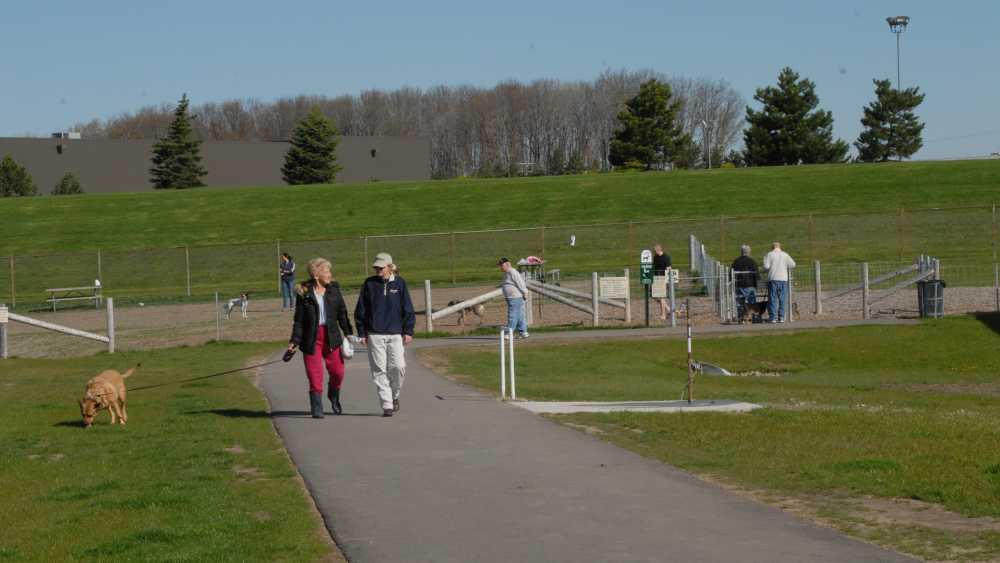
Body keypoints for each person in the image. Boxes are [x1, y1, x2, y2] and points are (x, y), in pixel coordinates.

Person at [287, 258, 353, 418]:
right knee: (315, 374)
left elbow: (342, 313)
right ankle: (316, 406)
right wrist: (294, 342)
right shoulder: (304, 293)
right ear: (316, 275)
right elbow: (299, 321)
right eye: (326, 271)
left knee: (338, 372)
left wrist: (348, 332)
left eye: (329, 271)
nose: (330, 274)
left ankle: (333, 394)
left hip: (331, 336)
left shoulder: (334, 290)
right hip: (311, 339)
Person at [355, 252, 415, 417]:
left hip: (395, 334)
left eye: (381, 268)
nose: (378, 270)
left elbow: (408, 308)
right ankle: (387, 405)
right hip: (375, 334)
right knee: (379, 370)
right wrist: (362, 333)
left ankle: (394, 395)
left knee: (398, 367)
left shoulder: (400, 283)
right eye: (376, 268)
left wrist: (408, 331)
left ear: (390, 267)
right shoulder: (369, 283)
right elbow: (361, 309)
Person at [763, 242, 796, 323]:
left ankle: (773, 317)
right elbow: (793, 264)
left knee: (773, 298)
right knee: (782, 298)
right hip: (783, 279)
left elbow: (766, 266)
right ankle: (781, 317)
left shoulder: (769, 254)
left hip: (773, 279)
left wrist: (765, 259)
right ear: (780, 247)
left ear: (772, 247)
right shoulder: (785, 254)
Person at [498, 257, 529, 338]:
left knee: (512, 315)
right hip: (511, 297)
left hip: (515, 297)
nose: (500, 267)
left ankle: (509, 333)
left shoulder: (513, 272)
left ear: (508, 264)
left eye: (502, 265)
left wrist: (525, 292)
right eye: (500, 265)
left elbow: (520, 283)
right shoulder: (506, 273)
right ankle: (523, 332)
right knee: (519, 315)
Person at [732, 244, 759, 321]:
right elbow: (757, 275)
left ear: (741, 252)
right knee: (751, 302)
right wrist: (756, 285)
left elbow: (731, 273)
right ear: (749, 252)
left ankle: (741, 317)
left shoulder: (736, 261)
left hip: (739, 284)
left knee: (740, 302)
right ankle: (752, 317)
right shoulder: (752, 261)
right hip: (750, 285)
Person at [652, 244, 672, 321]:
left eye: (654, 251)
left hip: (663, 279)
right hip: (656, 278)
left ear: (658, 250)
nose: (654, 252)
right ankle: (668, 309)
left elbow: (669, 268)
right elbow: (654, 267)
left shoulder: (666, 257)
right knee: (654, 295)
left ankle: (663, 314)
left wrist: (666, 280)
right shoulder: (655, 257)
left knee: (661, 297)